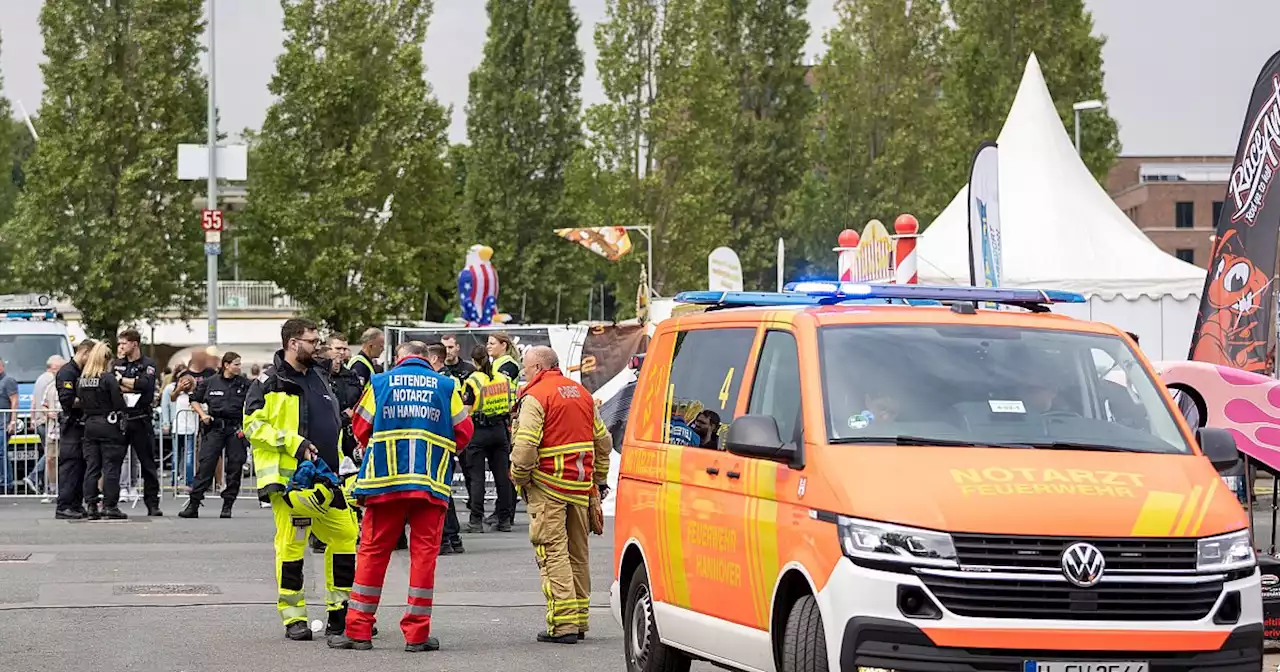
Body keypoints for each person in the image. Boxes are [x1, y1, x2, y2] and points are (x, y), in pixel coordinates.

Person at [327, 340, 474, 652]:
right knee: (423, 556)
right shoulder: (445, 386)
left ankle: (358, 630)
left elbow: (360, 425)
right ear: (426, 359)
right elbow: (464, 431)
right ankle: (417, 636)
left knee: (373, 552)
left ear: (399, 358)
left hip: (385, 483)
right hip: (430, 484)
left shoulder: (380, 383)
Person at [244, 318, 359, 641]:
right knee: (292, 545)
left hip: (327, 476)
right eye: (312, 341)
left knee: (345, 534)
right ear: (293, 343)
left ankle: (340, 610)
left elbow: (331, 422)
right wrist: (293, 442)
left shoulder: (320, 376)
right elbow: (253, 426)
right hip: (292, 480)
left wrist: (349, 452)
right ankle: (294, 616)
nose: (317, 347)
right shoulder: (269, 382)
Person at [509, 346, 612, 644]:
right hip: (580, 489)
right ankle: (579, 620)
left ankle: (563, 625)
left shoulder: (536, 396)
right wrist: (599, 480)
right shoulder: (581, 393)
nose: (525, 373)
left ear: (539, 367)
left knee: (553, 553)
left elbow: (526, 446)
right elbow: (603, 442)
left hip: (547, 487)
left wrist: (519, 477)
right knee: (578, 554)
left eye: (527, 368)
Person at [180, 352, 252, 519]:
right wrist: (202, 415)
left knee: (235, 467)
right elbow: (194, 399)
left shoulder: (245, 384)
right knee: (206, 465)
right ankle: (194, 504)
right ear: (226, 365)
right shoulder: (211, 382)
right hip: (215, 428)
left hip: (235, 429)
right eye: (236, 364)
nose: (239, 367)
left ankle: (228, 504)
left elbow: (257, 402)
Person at [461, 343, 516, 532]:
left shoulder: (473, 380)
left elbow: (466, 412)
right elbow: (510, 405)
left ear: (474, 361)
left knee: (477, 478)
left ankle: (476, 520)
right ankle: (505, 519)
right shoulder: (503, 379)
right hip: (500, 430)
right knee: (503, 477)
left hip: (479, 431)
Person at [113, 329, 163, 516]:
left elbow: (145, 386)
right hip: (122, 418)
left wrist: (124, 381)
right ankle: (111, 501)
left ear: (134, 343)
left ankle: (152, 503)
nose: (121, 347)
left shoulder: (147, 364)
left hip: (141, 418)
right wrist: (128, 383)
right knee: (115, 461)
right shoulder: (118, 364)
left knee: (148, 463)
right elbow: (114, 385)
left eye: (124, 343)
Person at [77, 341, 130, 520]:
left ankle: (91, 506)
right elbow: (118, 403)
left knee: (92, 468)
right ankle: (110, 506)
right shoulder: (107, 378)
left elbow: (81, 402)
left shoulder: (83, 379)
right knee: (111, 468)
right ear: (105, 359)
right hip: (108, 425)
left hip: (90, 426)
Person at [423, 344, 466, 555]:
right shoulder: (447, 380)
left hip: (440, 443)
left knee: (439, 493)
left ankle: (447, 538)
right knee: (443, 492)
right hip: (445, 443)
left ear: (432, 359)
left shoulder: (444, 382)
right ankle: (453, 537)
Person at [54, 340, 96, 519]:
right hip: (71, 425)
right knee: (70, 466)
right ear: (84, 353)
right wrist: (91, 400)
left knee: (80, 466)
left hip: (82, 425)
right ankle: (64, 505)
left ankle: (76, 503)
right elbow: (68, 401)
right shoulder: (67, 372)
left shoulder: (81, 372)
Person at [29, 355, 65, 495]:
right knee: (50, 456)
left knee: (51, 457)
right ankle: (44, 483)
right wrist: (47, 413)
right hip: (48, 425)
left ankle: (46, 485)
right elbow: (42, 403)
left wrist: (33, 418)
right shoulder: (50, 381)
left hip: (43, 422)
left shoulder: (39, 379)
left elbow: (34, 401)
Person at [161, 364, 199, 491]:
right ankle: (174, 480)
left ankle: (188, 482)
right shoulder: (174, 392)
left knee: (189, 456)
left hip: (191, 428)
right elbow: (170, 399)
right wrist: (179, 388)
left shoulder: (195, 394)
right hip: (178, 428)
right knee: (176, 455)